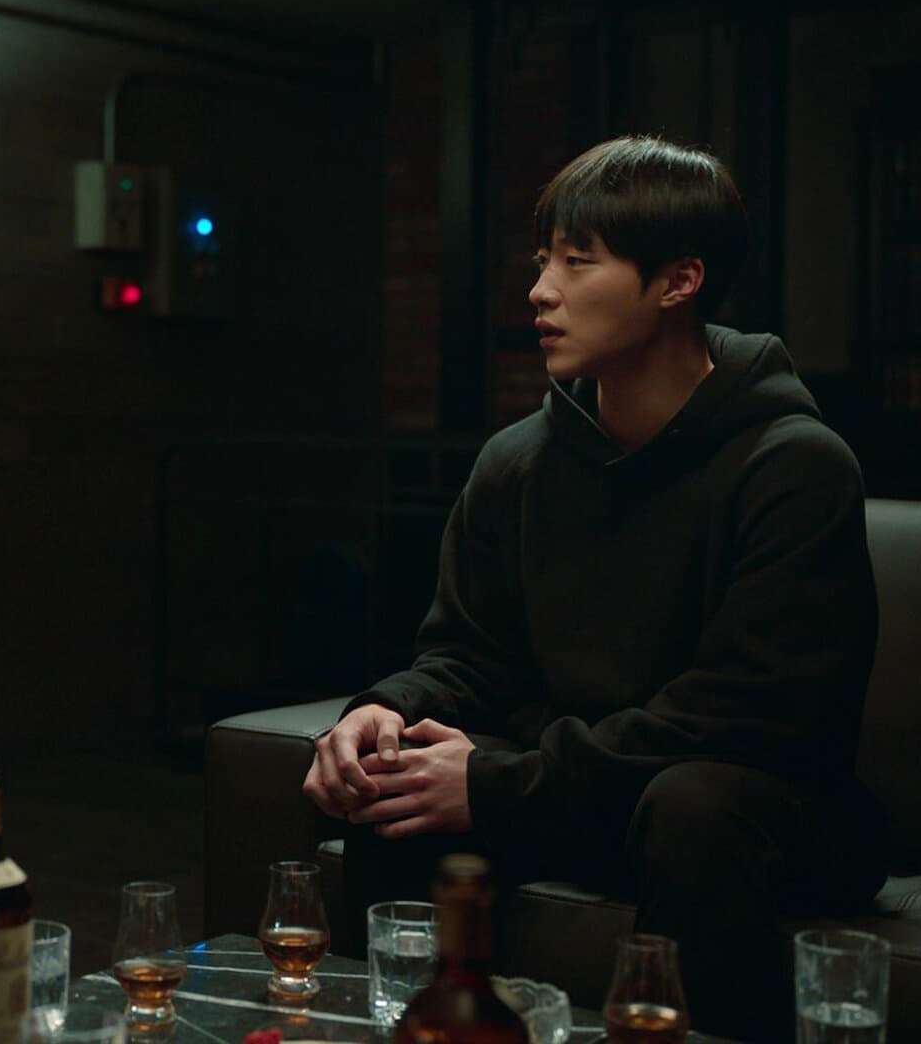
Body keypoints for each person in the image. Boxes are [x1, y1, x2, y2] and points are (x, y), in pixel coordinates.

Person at [302, 136, 887, 1039]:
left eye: (579, 262)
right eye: (543, 261)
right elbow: (468, 653)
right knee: (395, 783)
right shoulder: (518, 462)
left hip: (757, 809)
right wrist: (385, 710)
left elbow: (745, 715)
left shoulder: (796, 467)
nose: (542, 291)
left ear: (678, 281)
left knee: (691, 807)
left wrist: (500, 784)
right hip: (575, 791)